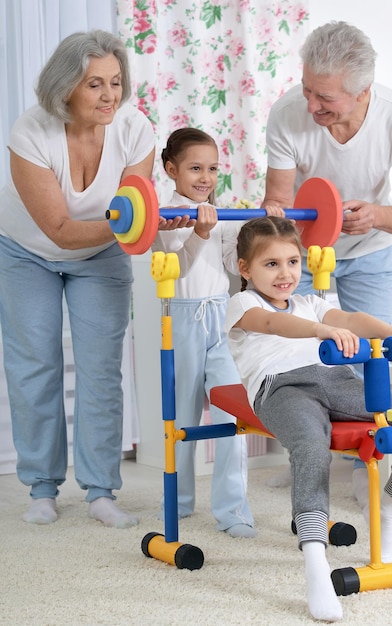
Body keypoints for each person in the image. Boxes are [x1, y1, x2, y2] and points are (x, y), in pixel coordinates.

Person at [225, 216, 392, 622]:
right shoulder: (243, 304)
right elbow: (273, 323)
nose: (285, 273)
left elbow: (353, 320)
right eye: (271, 264)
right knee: (310, 446)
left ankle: (387, 509)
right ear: (245, 268)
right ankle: (314, 563)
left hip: (335, 377)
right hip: (281, 387)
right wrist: (320, 331)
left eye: (292, 262)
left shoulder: (311, 302)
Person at [0, 30, 157, 528]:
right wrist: (139, 221)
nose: (110, 95)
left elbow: (136, 216)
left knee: (100, 371)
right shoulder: (31, 133)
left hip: (103, 254)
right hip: (28, 252)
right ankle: (42, 487)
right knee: (34, 367)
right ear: (66, 87)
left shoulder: (135, 130)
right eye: (95, 85)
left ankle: (100, 491)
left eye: (115, 82)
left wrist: (153, 221)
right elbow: (62, 231)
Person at [154, 128, 283, 537]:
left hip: (221, 321)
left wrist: (257, 226)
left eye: (212, 168)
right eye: (195, 168)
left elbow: (234, 265)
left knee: (234, 415)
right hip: (181, 320)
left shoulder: (218, 213)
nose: (205, 177)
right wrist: (199, 232)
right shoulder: (166, 215)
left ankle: (233, 511)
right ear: (172, 169)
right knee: (184, 417)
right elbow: (179, 269)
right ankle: (179, 500)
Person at [262, 20, 392, 324]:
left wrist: (374, 216)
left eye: (324, 97)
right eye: (306, 89)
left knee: (370, 352)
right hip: (297, 253)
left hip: (369, 252)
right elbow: (277, 202)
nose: (311, 106)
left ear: (362, 92)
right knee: (297, 357)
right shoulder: (286, 114)